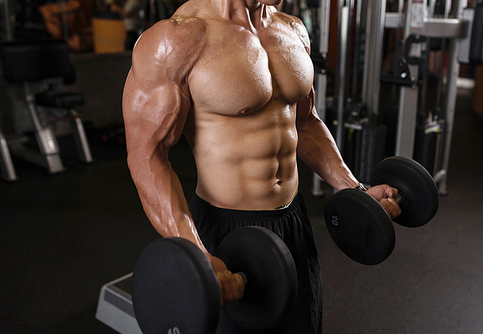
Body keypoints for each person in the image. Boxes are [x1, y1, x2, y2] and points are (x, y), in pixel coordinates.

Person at [122, 0, 401, 332]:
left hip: (293, 223)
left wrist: (354, 189)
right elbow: (147, 156)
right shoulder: (176, 40)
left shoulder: (292, 28)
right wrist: (195, 251)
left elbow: (306, 123)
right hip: (225, 234)